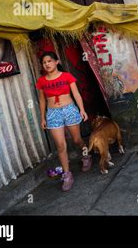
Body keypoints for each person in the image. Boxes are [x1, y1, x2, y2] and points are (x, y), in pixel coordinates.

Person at [36, 51, 91, 191]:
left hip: (69, 110)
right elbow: (42, 101)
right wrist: (43, 117)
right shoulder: (41, 81)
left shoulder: (67, 76)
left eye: (49, 61)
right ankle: (67, 175)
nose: (47, 64)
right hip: (53, 114)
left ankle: (86, 156)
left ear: (56, 61)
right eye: (44, 62)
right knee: (60, 146)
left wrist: (82, 109)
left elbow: (76, 93)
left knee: (77, 140)